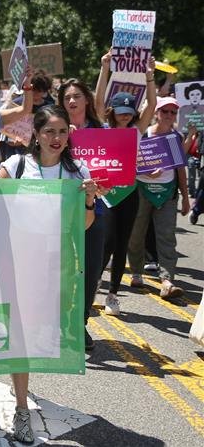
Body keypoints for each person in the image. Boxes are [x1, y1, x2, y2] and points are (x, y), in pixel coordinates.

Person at [0, 105, 98, 443]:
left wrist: (89, 203)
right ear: (35, 133)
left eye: (63, 131)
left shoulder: (78, 171)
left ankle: (20, 379)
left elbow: (85, 224)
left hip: (58, 265)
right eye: (49, 131)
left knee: (45, 331)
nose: (56, 138)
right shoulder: (17, 165)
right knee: (20, 332)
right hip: (18, 262)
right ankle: (22, 408)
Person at [94, 52, 157, 314]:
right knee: (107, 240)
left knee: (123, 244)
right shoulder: (105, 129)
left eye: (129, 113)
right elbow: (97, 102)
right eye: (120, 112)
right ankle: (95, 280)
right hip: (107, 193)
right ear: (113, 111)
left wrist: (150, 77)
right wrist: (104, 69)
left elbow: (151, 106)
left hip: (130, 192)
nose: (125, 117)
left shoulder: (136, 131)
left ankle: (112, 294)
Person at [57, 78, 107, 349]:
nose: (72, 101)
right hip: (61, 210)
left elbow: (112, 170)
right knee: (62, 269)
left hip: (94, 209)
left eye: (77, 96)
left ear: (87, 99)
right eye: (67, 97)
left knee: (90, 270)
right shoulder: (56, 130)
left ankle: (81, 324)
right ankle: (59, 321)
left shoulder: (101, 131)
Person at [127, 96, 191, 299]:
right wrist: (145, 174)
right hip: (142, 191)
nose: (169, 116)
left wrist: (186, 197)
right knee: (136, 234)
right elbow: (129, 163)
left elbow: (180, 168)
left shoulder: (176, 138)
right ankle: (137, 272)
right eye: (165, 111)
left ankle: (167, 280)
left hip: (167, 193)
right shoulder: (143, 134)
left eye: (173, 112)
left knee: (166, 236)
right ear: (156, 113)